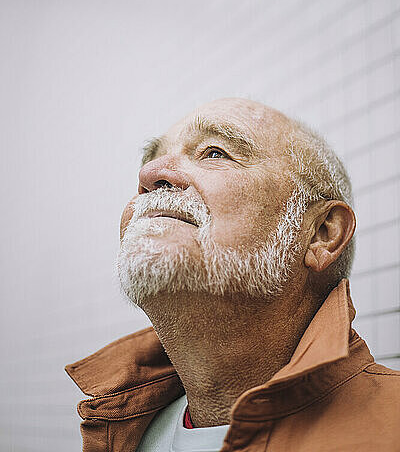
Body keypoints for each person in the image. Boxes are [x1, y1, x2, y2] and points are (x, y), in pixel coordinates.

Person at [65, 98, 400, 452]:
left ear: (321, 233)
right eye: (152, 160)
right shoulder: (120, 428)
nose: (149, 175)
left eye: (214, 153)